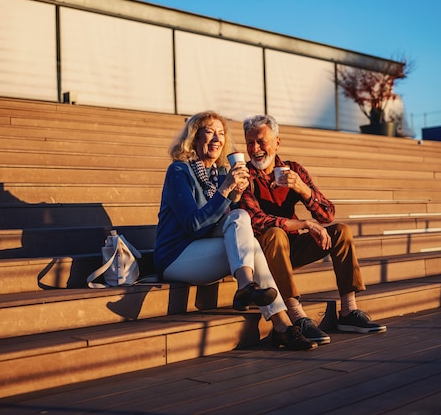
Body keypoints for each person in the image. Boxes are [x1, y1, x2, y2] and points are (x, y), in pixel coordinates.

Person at [154, 110, 316, 351]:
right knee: (248, 237)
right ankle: (279, 320)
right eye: (209, 133)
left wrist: (237, 195)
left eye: (221, 134)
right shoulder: (179, 172)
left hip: (206, 250)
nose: (217, 139)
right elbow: (194, 226)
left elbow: (230, 222)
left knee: (242, 218)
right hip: (176, 256)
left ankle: (262, 305)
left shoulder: (219, 173)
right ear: (195, 138)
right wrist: (225, 190)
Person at [238, 114, 387, 344]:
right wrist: (305, 224)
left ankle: (348, 311)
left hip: (292, 248)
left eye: (261, 141)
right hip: (264, 255)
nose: (255, 148)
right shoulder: (244, 175)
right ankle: (296, 315)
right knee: (275, 233)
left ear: (277, 142)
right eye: (250, 142)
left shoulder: (293, 170)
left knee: (341, 231)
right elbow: (256, 219)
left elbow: (327, 214)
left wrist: (302, 189)